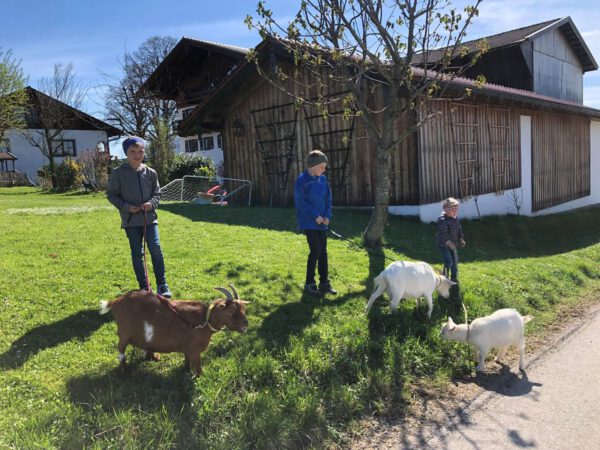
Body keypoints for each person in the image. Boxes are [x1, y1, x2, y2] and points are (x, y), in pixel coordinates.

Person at [107, 136, 172, 298]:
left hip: (149, 220)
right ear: (126, 153)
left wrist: (151, 204)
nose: (137, 155)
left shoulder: (150, 173)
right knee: (137, 253)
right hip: (131, 222)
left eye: (141, 151)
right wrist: (127, 207)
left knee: (156, 248)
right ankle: (144, 287)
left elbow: (157, 193)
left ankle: (162, 285)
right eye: (133, 151)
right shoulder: (118, 173)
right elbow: (112, 195)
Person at [294, 149, 337, 297]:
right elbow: (300, 202)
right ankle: (309, 283)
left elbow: (328, 200)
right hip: (309, 222)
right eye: (322, 166)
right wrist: (315, 215)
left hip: (322, 222)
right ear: (313, 166)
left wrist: (327, 216)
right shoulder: (301, 181)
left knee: (323, 251)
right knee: (316, 250)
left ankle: (324, 283)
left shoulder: (323, 180)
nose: (324, 169)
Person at [435, 197, 466, 282]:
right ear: (446, 209)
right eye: (453, 209)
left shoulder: (455, 218)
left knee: (454, 262)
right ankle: (444, 277)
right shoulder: (442, 220)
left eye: (456, 209)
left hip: (453, 244)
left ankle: (453, 278)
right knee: (449, 261)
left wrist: (461, 239)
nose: (455, 211)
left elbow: (459, 229)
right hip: (444, 245)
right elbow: (442, 234)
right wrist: (448, 242)